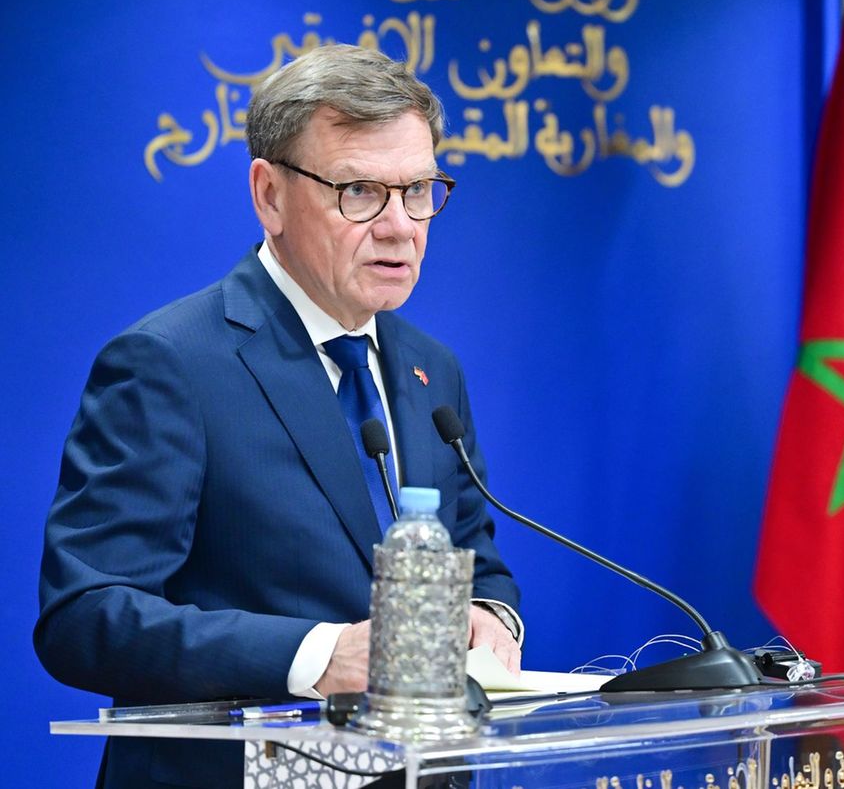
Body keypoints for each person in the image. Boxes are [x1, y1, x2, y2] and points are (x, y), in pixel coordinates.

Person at [35, 45, 522, 789]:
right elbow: (87, 616)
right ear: (269, 195)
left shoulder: (432, 370)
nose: (401, 227)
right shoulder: (170, 363)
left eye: (419, 190)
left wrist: (490, 617)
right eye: (360, 191)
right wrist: (321, 656)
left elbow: (473, 554)